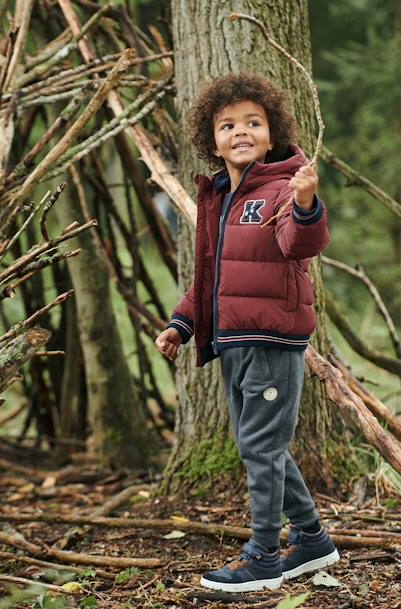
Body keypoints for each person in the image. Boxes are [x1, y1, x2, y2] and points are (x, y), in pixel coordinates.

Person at [154, 74, 340, 592]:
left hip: (272, 340)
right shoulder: (221, 197)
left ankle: (262, 554)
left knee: (260, 446)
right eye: (228, 124)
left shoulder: (282, 186)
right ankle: (312, 540)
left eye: (253, 123)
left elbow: (300, 243)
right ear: (212, 140)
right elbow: (212, 277)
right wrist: (181, 323)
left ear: (272, 132)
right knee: (261, 444)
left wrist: (306, 203)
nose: (241, 131)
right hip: (235, 342)